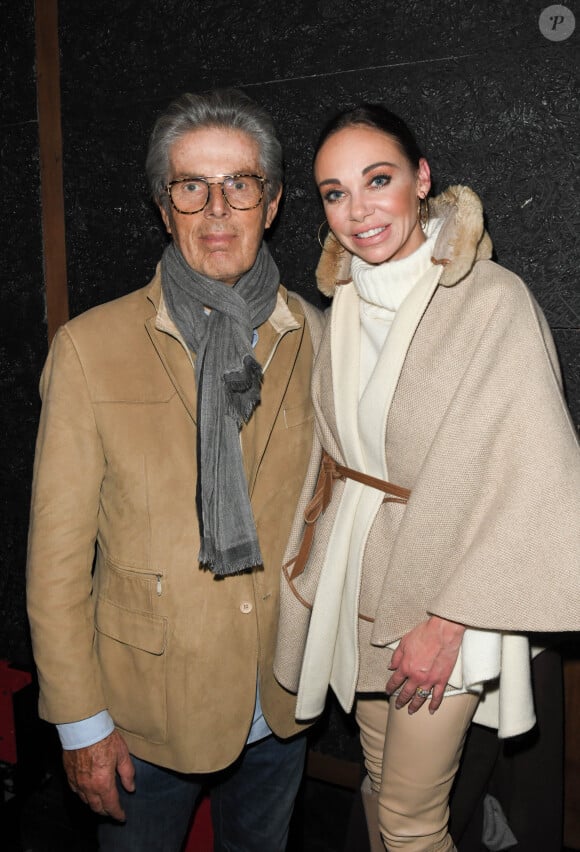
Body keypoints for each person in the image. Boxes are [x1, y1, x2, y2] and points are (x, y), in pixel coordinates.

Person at [274, 103, 580, 851]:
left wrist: (449, 623)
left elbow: (534, 478)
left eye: (378, 180)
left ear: (422, 180)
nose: (358, 209)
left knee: (411, 826)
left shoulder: (491, 302)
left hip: (449, 603)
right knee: (384, 796)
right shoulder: (343, 301)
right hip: (365, 590)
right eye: (336, 192)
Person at [26, 88, 322, 852]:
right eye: (192, 186)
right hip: (142, 716)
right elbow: (56, 563)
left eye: (240, 184)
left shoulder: (318, 337)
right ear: (166, 209)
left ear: (274, 201)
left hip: (282, 697)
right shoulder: (91, 349)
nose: (217, 209)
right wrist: (81, 725)